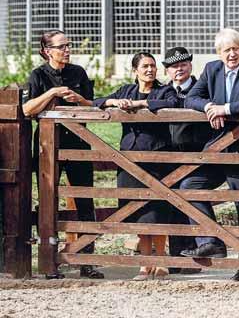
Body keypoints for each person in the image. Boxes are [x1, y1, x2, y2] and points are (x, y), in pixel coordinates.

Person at [179, 29, 239, 282]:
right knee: (190, 186)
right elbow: (192, 98)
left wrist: (224, 109)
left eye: (235, 49)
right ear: (219, 53)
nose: (231, 54)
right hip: (218, 148)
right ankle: (211, 240)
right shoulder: (212, 69)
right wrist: (208, 107)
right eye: (226, 50)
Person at [23, 29, 103, 279]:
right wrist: (53, 93)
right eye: (61, 46)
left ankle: (86, 260)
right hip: (49, 149)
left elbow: (93, 105)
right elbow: (26, 110)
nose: (67, 50)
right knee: (48, 202)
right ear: (47, 51)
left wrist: (78, 98)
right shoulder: (37, 75)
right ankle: (50, 263)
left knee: (85, 202)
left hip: (79, 144)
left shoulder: (78, 73)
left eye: (68, 45)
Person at [93, 52, 178, 281]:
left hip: (157, 158)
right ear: (135, 71)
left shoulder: (164, 90)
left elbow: (172, 103)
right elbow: (96, 102)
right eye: (145, 66)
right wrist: (114, 102)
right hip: (129, 159)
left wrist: (141, 104)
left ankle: (161, 262)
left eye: (152, 66)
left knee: (158, 211)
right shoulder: (125, 91)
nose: (150, 70)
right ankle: (144, 264)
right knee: (138, 212)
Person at [162, 46, 206, 275]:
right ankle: (176, 257)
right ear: (167, 70)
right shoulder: (161, 92)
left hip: (195, 154)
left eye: (182, 64)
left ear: (190, 65)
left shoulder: (202, 89)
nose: (178, 69)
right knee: (171, 204)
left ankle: (194, 258)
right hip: (168, 155)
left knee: (191, 201)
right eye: (173, 66)